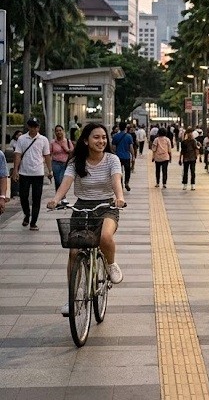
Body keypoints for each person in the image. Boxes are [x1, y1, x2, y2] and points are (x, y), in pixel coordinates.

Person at [47, 123, 126, 316]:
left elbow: (116, 180)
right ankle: (72, 297)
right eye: (96, 137)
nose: (101, 141)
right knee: (74, 253)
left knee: (105, 237)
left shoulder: (112, 159)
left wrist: (120, 198)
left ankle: (111, 264)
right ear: (85, 140)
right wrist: (56, 199)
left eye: (103, 137)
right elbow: (66, 183)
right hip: (81, 207)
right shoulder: (76, 162)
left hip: (107, 206)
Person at [12, 118, 53, 230]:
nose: (34, 129)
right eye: (32, 126)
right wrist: (15, 170)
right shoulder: (22, 139)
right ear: (28, 127)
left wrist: (50, 171)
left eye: (36, 126)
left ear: (38, 127)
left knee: (36, 198)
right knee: (23, 196)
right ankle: (27, 214)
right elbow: (17, 154)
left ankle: (33, 222)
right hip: (24, 173)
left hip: (38, 173)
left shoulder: (43, 139)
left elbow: (47, 156)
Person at [111, 121, 136, 192]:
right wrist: (133, 155)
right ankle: (126, 182)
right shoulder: (129, 136)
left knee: (119, 171)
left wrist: (116, 152)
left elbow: (113, 148)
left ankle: (120, 184)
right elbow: (131, 147)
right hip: (126, 157)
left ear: (119, 127)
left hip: (118, 157)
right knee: (127, 170)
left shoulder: (115, 136)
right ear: (125, 128)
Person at [50, 125, 74, 191]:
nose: (59, 132)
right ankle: (59, 196)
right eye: (57, 131)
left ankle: (62, 197)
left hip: (65, 164)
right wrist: (49, 168)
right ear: (55, 132)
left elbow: (72, 152)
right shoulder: (52, 142)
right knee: (57, 181)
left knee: (62, 181)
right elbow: (49, 153)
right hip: (56, 163)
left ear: (63, 131)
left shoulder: (68, 141)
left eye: (60, 130)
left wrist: (66, 149)